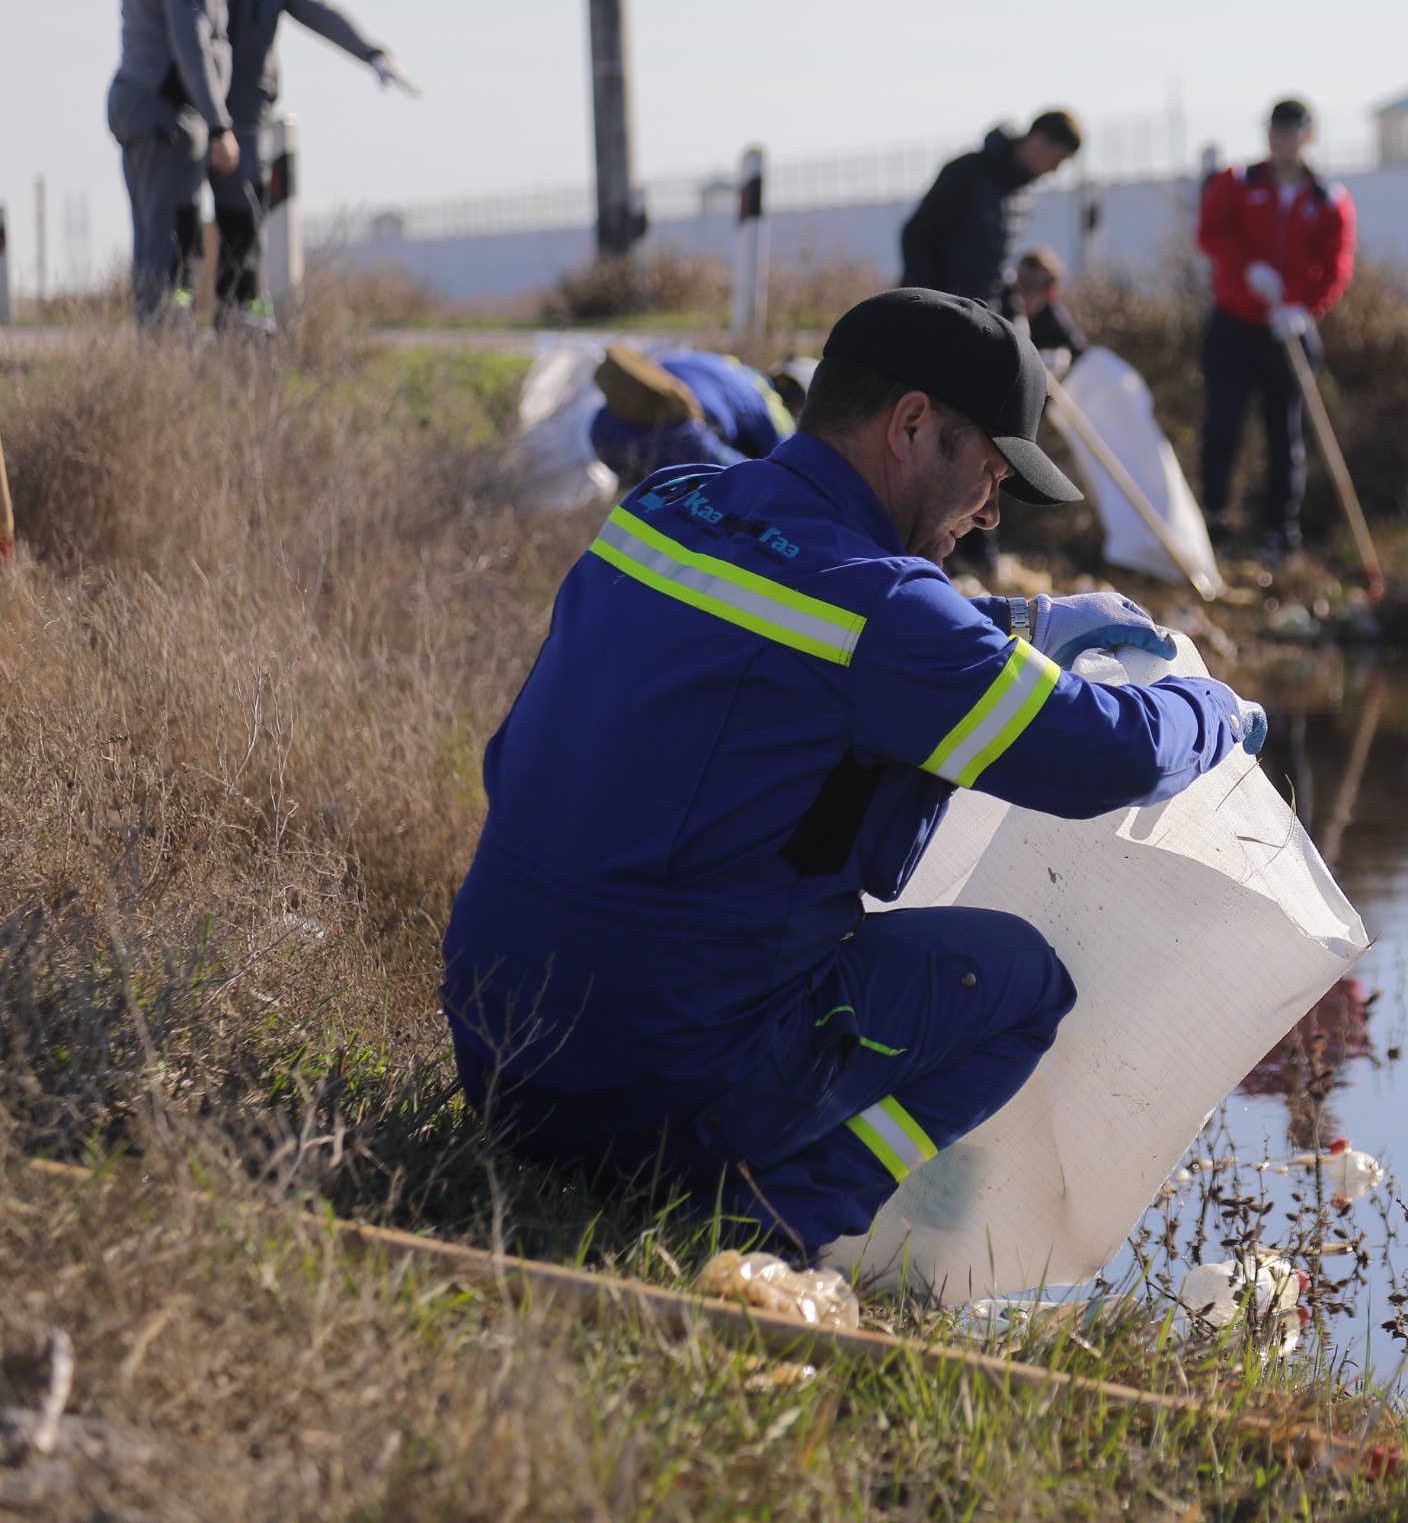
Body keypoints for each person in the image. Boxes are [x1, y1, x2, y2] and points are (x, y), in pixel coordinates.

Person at [442, 289, 1269, 1260]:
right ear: (913, 424)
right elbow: (1116, 755)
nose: (992, 510)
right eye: (991, 472)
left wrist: (1014, 625)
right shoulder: (882, 613)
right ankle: (769, 1229)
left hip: (500, 1057)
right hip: (650, 1092)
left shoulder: (663, 510)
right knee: (1011, 982)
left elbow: (813, 605)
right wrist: (1214, 706)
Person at [208, 0, 412, 334]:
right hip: (192, 112)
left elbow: (321, 12)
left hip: (246, 117)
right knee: (180, 229)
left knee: (244, 222)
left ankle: (238, 328)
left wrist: (372, 53)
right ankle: (166, 336)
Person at [1194, 97, 1357, 556]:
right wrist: (1247, 268)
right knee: (1222, 426)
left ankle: (1278, 530)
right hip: (1234, 325)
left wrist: (1303, 308)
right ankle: (1216, 519)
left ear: (1308, 136)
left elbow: (1335, 265)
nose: (1281, 141)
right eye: (1274, 132)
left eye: (1290, 133)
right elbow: (1210, 232)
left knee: (1286, 435)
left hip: (1289, 331)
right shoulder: (1238, 182)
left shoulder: (1329, 199)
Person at [107, 0, 260, 326]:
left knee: (154, 238)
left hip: (138, 105)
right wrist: (219, 124)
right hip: (166, 115)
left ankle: (159, 346)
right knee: (173, 242)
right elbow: (191, 50)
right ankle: (165, 354)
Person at [898, 112, 1082, 312]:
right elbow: (917, 235)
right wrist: (933, 306)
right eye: (1059, 160)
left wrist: (1011, 316)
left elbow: (998, 270)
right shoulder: (968, 173)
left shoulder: (1021, 198)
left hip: (976, 320)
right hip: (935, 316)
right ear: (1040, 141)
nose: (1054, 170)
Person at [586, 345, 799, 490]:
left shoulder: (727, 364)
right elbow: (777, 476)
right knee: (752, 484)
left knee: (638, 512)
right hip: (676, 434)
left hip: (606, 424)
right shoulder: (772, 404)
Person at [1013, 245, 1087, 369]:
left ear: (1050, 293)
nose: (1020, 294)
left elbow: (1080, 355)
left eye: (1029, 286)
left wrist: (1060, 361)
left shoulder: (1056, 323)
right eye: (1017, 283)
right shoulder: (1002, 306)